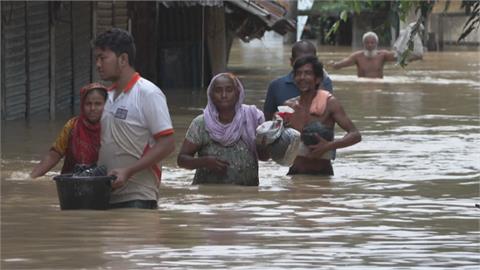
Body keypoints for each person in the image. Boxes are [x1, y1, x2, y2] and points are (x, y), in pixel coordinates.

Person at [93, 28, 175, 209]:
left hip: (138, 198)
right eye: (96, 59)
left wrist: (129, 171)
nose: (98, 64)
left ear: (123, 59)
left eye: (103, 58)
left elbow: (168, 144)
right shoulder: (106, 96)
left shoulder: (148, 93)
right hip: (105, 197)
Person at [177, 73, 269, 186]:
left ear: (238, 93)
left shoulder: (252, 118)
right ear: (211, 95)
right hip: (209, 197)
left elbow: (264, 157)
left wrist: (264, 144)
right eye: (218, 90)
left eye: (229, 90)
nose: (224, 95)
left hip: (246, 198)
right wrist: (204, 162)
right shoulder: (201, 123)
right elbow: (181, 160)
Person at [284, 55, 361, 175]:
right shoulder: (289, 106)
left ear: (318, 79)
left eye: (308, 73)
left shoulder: (330, 103)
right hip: (295, 173)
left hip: (322, 175)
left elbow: (355, 135)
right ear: (294, 78)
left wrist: (328, 146)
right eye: (298, 74)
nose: (302, 77)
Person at [30, 83, 108, 178]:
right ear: (82, 105)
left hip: (102, 181)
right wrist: (31, 177)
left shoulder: (112, 127)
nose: (92, 108)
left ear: (106, 105)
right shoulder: (72, 126)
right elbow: (54, 155)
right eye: (88, 104)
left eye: (98, 104)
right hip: (72, 183)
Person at [263, 40, 333, 121]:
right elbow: (267, 120)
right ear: (292, 62)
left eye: (309, 62)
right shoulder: (276, 86)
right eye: (300, 62)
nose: (304, 66)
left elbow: (326, 115)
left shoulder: (324, 82)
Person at [328, 31, 420, 78]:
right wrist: (332, 64)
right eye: (367, 43)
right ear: (363, 44)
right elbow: (340, 65)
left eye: (372, 42)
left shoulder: (383, 55)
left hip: (379, 86)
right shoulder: (357, 56)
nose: (370, 45)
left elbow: (401, 58)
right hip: (362, 86)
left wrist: (414, 57)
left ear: (376, 44)